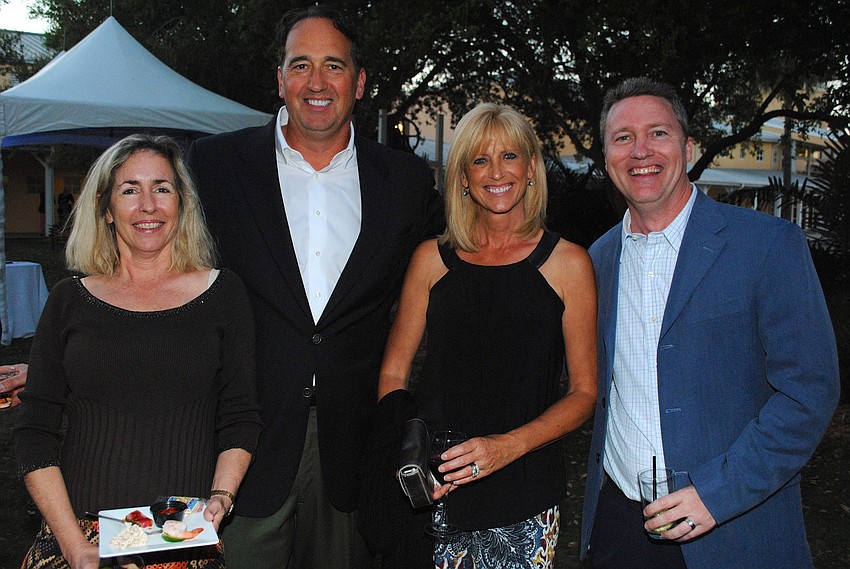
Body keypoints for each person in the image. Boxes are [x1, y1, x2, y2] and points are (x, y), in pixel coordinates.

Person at [185, 5, 444, 568]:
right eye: (300, 65)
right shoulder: (214, 167)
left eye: (334, 65)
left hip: (354, 451)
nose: (317, 83)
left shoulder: (403, 184)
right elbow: (163, 275)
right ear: (279, 79)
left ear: (359, 81)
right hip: (242, 449)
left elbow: (449, 287)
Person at [580, 77, 841, 569]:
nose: (640, 150)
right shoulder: (596, 261)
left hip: (734, 527)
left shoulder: (768, 245)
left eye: (657, 132)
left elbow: (810, 391)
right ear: (606, 156)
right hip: (618, 528)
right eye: (622, 137)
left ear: (688, 145)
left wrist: (717, 495)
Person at [14, 134, 263, 569]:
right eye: (130, 189)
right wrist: (76, 548)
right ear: (107, 210)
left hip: (181, 536)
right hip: (78, 537)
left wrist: (222, 496)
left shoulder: (224, 293)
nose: (148, 205)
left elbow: (240, 414)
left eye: (162, 188)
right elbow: (34, 431)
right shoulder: (68, 300)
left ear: (181, 205)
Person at [377, 103, 597, 568]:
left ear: (532, 167)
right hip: (435, 491)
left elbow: (583, 394)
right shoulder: (430, 260)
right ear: (461, 177)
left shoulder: (569, 264)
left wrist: (507, 446)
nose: (496, 172)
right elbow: (394, 372)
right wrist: (408, 455)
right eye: (479, 160)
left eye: (509, 156)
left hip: (526, 493)